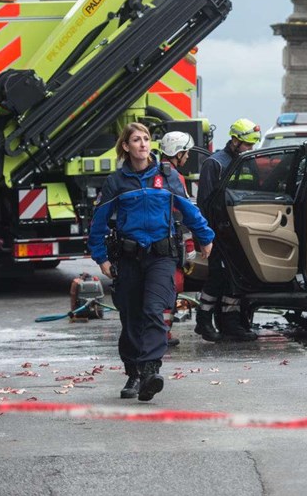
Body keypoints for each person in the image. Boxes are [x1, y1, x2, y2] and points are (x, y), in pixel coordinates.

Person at [88, 122, 214, 401]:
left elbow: (189, 210)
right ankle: (133, 372)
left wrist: (205, 237)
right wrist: (101, 258)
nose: (143, 144)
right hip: (129, 257)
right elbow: (98, 222)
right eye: (136, 139)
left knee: (155, 310)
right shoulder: (116, 182)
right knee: (131, 316)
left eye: (146, 139)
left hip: (161, 256)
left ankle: (150, 370)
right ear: (126, 146)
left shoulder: (167, 176)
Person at [195, 118, 261, 342]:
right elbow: (204, 203)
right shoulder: (215, 164)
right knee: (217, 277)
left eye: (252, 146)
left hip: (240, 232)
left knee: (237, 278)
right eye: (247, 145)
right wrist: (206, 236)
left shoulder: (248, 162)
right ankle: (203, 321)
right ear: (234, 140)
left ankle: (230, 323)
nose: (250, 150)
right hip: (217, 233)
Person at [158, 131, 197, 347]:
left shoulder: (153, 171)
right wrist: (190, 247)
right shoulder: (175, 177)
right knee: (171, 286)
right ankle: (162, 333)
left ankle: (160, 332)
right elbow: (183, 214)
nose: (188, 156)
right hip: (171, 241)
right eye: (186, 152)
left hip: (155, 241)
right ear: (178, 153)